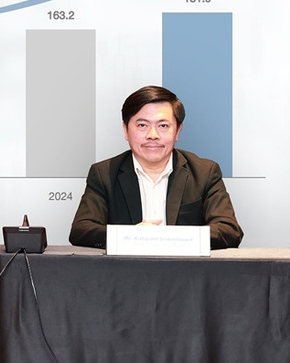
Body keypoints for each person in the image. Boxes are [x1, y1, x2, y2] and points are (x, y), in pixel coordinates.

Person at [69, 85, 243, 249]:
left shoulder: (204, 172)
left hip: (184, 269)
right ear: (126, 130)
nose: (153, 135)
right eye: (142, 125)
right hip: (126, 269)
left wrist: (167, 238)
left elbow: (229, 230)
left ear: (178, 131)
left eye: (163, 126)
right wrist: (132, 236)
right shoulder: (104, 174)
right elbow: (81, 230)